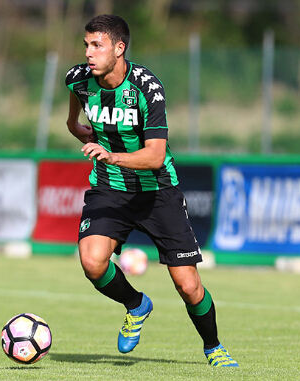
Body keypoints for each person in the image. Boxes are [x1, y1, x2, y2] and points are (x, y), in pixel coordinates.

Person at [65, 14, 238, 367]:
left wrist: (110, 154)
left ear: (119, 47)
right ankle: (136, 304)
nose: (89, 53)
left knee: (188, 286)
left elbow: (156, 156)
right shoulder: (78, 82)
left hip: (157, 191)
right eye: (86, 45)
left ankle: (214, 347)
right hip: (109, 188)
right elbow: (73, 123)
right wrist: (89, 137)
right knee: (92, 261)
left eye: (97, 45)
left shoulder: (146, 88)